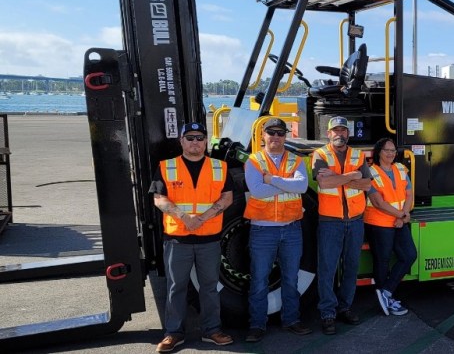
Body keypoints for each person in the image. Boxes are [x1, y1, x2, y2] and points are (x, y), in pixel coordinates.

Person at [149, 122, 234, 353]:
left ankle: (212, 330)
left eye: (199, 138)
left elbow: (227, 197)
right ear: (181, 141)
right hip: (178, 239)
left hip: (209, 239)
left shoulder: (219, 167)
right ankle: (173, 333)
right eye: (190, 138)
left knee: (209, 287)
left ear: (206, 141)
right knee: (176, 287)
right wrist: (185, 218)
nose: (195, 142)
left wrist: (202, 218)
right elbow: (159, 198)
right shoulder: (167, 166)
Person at [244, 118, 313, 342]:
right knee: (259, 280)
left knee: (291, 279)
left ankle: (291, 320)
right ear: (263, 135)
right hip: (263, 231)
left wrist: (272, 180)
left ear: (285, 136)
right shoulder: (254, 161)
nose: (275, 137)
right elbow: (257, 191)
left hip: (291, 229)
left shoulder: (296, 160)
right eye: (271, 132)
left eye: (280, 133)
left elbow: (302, 186)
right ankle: (257, 325)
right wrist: (286, 184)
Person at [312, 116, 372, 335]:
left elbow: (367, 184)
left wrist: (339, 177)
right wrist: (352, 175)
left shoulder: (358, 155)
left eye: (343, 130)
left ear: (348, 133)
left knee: (351, 267)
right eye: (335, 130)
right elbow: (324, 182)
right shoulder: (320, 155)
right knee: (327, 269)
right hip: (330, 222)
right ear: (328, 134)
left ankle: (345, 308)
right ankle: (328, 314)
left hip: (355, 221)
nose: (339, 133)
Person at [364, 137, 417, 316]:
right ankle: (385, 298)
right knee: (382, 260)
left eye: (393, 150)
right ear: (378, 152)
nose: (390, 153)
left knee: (409, 255)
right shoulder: (370, 172)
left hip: (399, 222)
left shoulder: (400, 169)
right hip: (378, 223)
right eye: (387, 150)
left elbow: (409, 194)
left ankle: (385, 293)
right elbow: (377, 202)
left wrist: (404, 214)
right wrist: (401, 215)